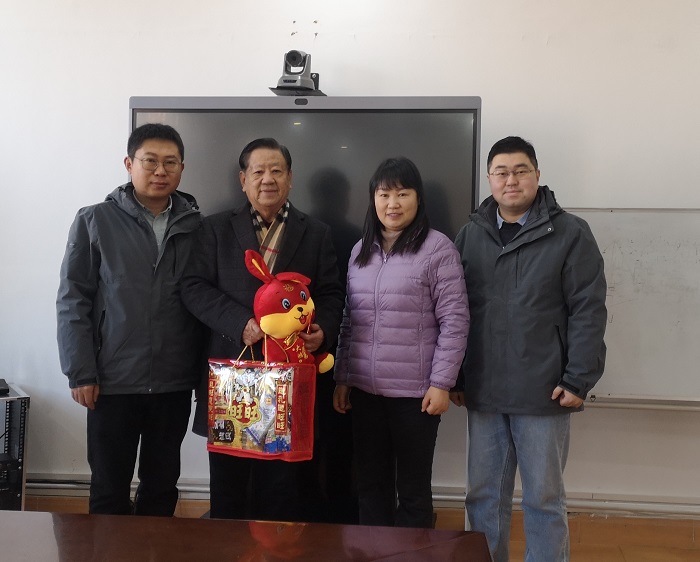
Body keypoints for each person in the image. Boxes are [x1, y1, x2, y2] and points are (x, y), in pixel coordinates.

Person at [451, 136, 607, 562]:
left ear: (537, 175)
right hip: (484, 390)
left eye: (520, 171)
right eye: (501, 172)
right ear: (489, 179)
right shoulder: (470, 235)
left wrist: (578, 378)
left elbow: (588, 310)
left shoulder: (571, 233)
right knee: (482, 497)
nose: (511, 180)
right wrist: (457, 376)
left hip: (545, 391)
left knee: (543, 499)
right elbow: (456, 312)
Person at [180, 137, 344, 521]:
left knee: (284, 488)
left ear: (290, 178)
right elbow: (193, 287)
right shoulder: (214, 228)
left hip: (290, 381)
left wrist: (322, 330)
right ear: (243, 180)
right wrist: (241, 324)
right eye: (258, 171)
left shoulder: (315, 232)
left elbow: (332, 293)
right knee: (229, 486)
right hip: (232, 378)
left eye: (276, 171)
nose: (267, 179)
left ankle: (278, 546)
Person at [56, 123, 205, 516]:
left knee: (161, 488)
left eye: (170, 162)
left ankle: (154, 549)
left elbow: (205, 299)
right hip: (111, 380)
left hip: (174, 380)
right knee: (109, 489)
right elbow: (73, 300)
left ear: (182, 168)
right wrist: (80, 371)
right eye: (150, 161)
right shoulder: (94, 220)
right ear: (129, 163)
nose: (160, 171)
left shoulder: (198, 226)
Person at [333, 156, 469, 528]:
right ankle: (373, 552)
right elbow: (349, 319)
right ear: (373, 199)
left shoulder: (438, 249)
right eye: (384, 194)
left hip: (416, 395)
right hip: (365, 391)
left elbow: (455, 321)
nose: (392, 203)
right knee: (370, 486)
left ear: (418, 199)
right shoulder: (359, 251)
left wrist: (441, 383)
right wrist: (343, 377)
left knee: (412, 490)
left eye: (402, 194)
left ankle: (413, 553)